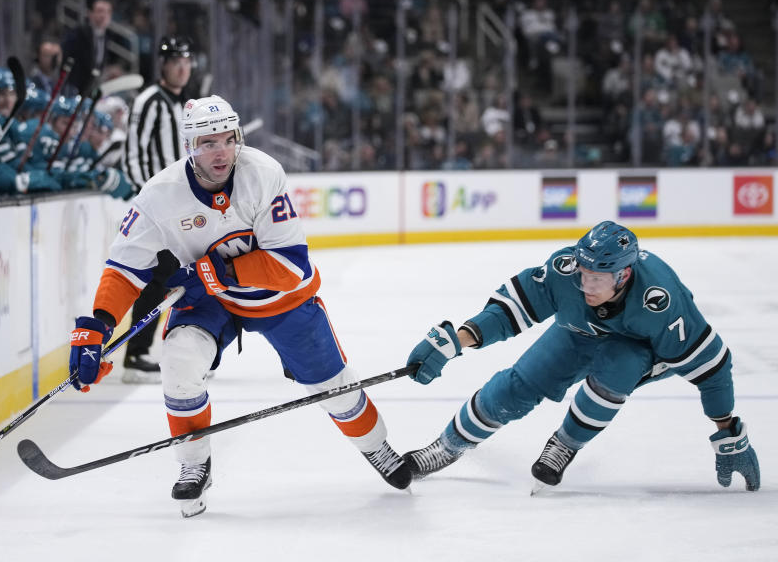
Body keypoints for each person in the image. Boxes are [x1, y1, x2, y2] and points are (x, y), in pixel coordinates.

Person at [67, 95, 412, 517]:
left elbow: (291, 267)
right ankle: (194, 465)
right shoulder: (159, 196)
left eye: (227, 139)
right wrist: (97, 327)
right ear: (189, 147)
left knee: (336, 389)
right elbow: (123, 269)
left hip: (280, 300)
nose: (220, 151)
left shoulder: (263, 174)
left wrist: (212, 274)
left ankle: (376, 447)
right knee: (178, 360)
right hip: (210, 301)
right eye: (207, 142)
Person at [403, 221, 760, 492]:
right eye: (583, 274)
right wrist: (456, 341)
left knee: (615, 371)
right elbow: (512, 308)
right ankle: (446, 446)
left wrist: (728, 432)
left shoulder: (661, 301)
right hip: (579, 333)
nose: (585, 285)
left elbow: (713, 368)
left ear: (624, 274)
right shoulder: (567, 270)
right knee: (517, 386)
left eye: (597, 279)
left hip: (636, 347)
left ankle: (564, 444)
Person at [119, 34, 194, 383]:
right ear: (163, 65)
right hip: (157, 209)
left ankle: (181, 349)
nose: (182, 67)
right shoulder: (149, 101)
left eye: (186, 60)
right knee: (159, 277)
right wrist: (147, 202)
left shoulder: (186, 106)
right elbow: (132, 153)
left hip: (184, 208)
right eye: (175, 61)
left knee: (174, 276)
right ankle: (135, 353)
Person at [61, 0, 113, 96]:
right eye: (100, 11)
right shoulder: (79, 33)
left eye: (107, 12)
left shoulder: (107, 36)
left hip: (91, 87)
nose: (103, 15)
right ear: (90, 14)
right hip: (75, 86)